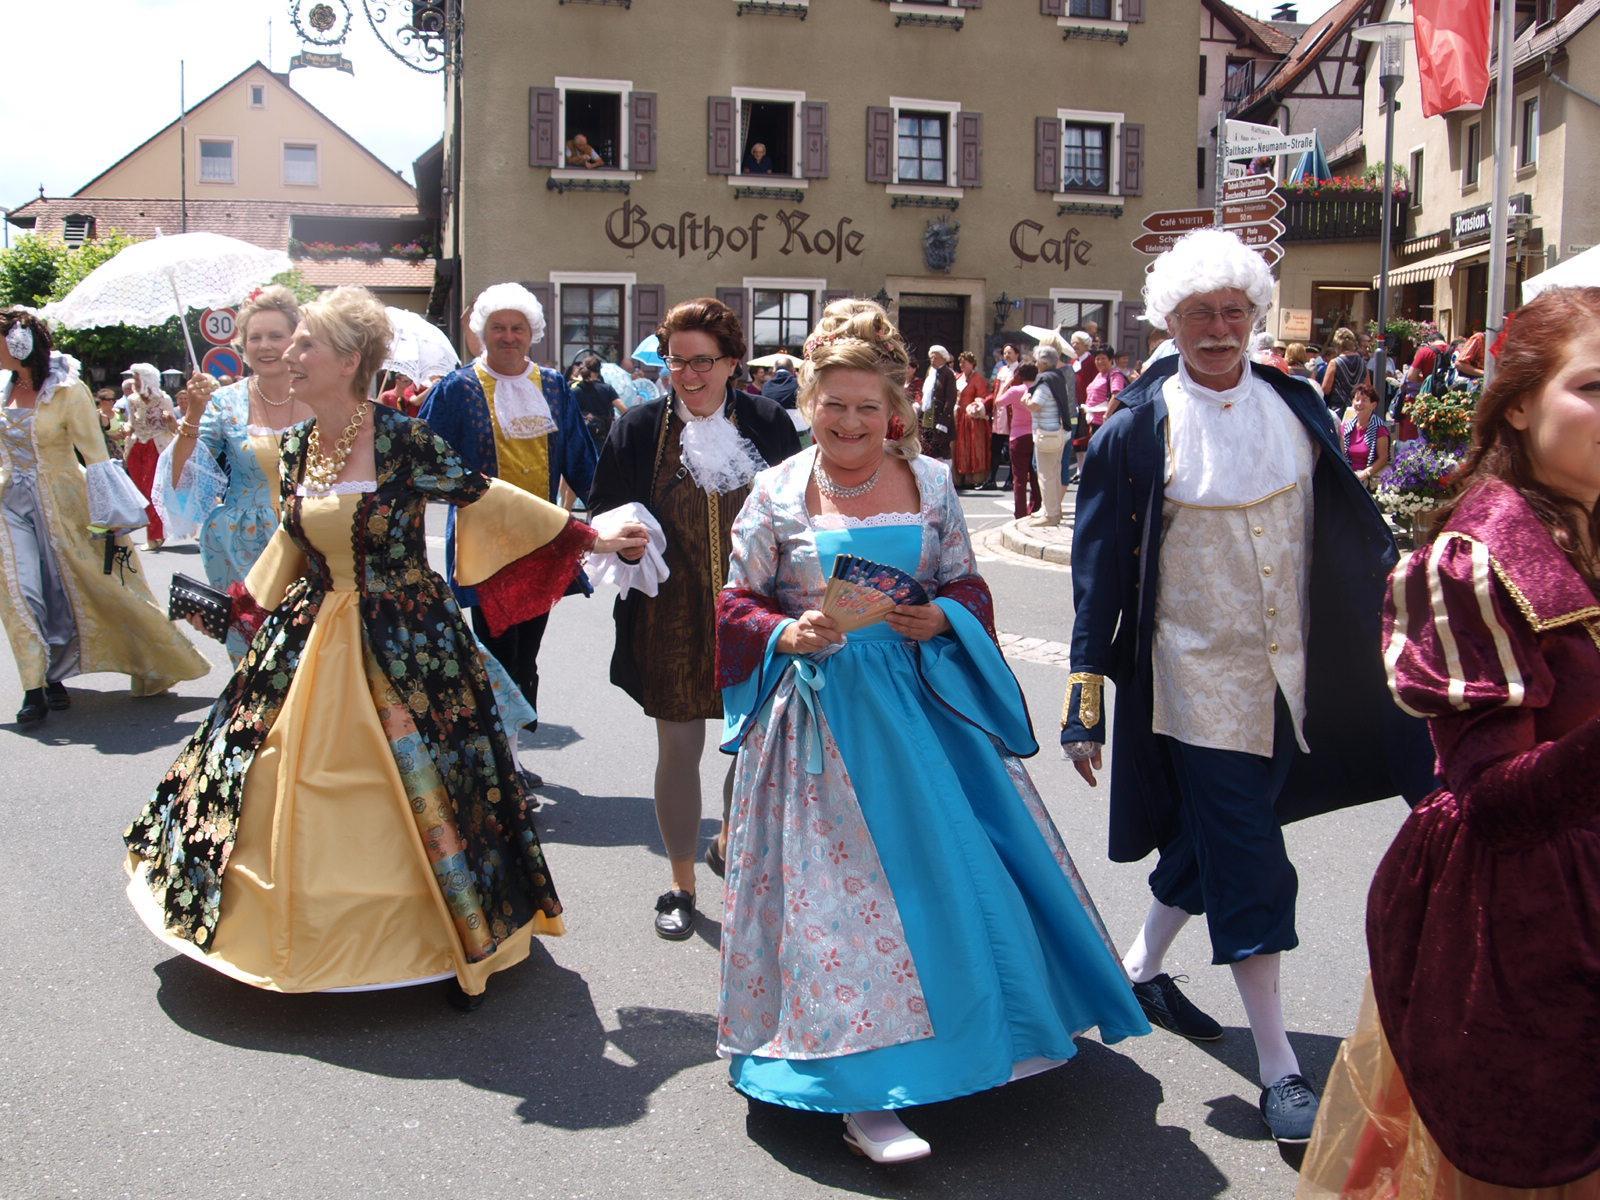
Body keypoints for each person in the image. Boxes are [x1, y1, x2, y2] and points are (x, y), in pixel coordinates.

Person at [124, 286, 647, 1006]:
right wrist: (241, 604)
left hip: (405, 637)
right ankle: (275, 930)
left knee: (425, 780)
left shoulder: (402, 439)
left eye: (306, 344)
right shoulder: (298, 446)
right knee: (267, 763)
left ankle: (433, 938)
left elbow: (484, 494)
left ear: (348, 362)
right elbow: (292, 537)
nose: (289, 355)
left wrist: (589, 535)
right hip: (309, 632)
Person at [715, 298, 1149, 1163]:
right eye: (832, 404)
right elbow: (734, 603)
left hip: (921, 714)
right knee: (841, 901)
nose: (847, 422)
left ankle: (995, 1031)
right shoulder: (773, 493)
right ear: (809, 401)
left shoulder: (937, 483)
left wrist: (944, 617)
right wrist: (782, 631)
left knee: (948, 878)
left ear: (895, 410)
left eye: (865, 407)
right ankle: (863, 1090)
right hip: (819, 724)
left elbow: (969, 584)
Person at [1062, 230, 1435, 1147]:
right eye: (1200, 313)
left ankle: (1138, 965)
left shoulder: (1300, 404)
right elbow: (1099, 570)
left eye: (1234, 311)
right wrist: (1085, 698)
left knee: (1222, 831)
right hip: (1195, 680)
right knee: (1250, 854)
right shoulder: (1131, 434)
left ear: (1255, 317)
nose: (1220, 328)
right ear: (1171, 322)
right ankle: (1279, 1069)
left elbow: (1349, 528)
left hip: (1298, 672)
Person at [1298, 286, 1600, 1198]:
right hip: (1525, 919)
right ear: (1518, 400)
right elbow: (1494, 794)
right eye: (1596, 387)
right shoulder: (1477, 557)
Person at [587, 297, 800, 941]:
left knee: (758, 748)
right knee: (678, 750)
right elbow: (601, 510)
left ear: (733, 362)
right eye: (676, 361)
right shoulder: (639, 429)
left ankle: (731, 839)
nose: (688, 375)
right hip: (668, 618)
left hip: (758, 615)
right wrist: (618, 534)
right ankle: (680, 883)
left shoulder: (767, 421)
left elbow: (800, 511)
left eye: (702, 361)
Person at [0, 309, 207, 725]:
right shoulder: (1, 390)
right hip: (11, 505)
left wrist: (111, 517)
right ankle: (35, 685)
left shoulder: (66, 389)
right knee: (21, 590)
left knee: (87, 585)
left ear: (19, 343)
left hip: (65, 502)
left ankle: (142, 658)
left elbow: (95, 456)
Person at [419, 283, 599, 754]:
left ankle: (512, 745)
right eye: (498, 327)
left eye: (517, 327)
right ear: (481, 332)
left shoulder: (556, 386)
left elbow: (581, 459)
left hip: (542, 541)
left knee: (527, 651)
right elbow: (421, 457)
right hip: (485, 544)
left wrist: (612, 511)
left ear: (531, 333)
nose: (508, 335)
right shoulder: (456, 389)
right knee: (495, 650)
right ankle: (505, 758)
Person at [154, 286, 314, 662]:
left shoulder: (321, 394)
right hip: (243, 544)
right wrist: (193, 413)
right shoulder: (224, 403)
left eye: (276, 335)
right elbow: (182, 481)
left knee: (312, 655)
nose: (265, 345)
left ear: (297, 338)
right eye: (254, 337)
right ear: (242, 346)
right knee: (257, 659)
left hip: (314, 538)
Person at [120, 363, 178, 550]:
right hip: (137, 447)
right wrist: (126, 428)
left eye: (137, 378)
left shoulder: (164, 399)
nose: (134, 382)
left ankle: (154, 536)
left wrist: (170, 420)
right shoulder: (132, 400)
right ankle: (155, 533)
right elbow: (131, 422)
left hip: (156, 446)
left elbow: (173, 428)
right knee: (141, 492)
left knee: (152, 491)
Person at [1025, 345, 1073, 526]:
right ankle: (1052, 510)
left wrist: (1026, 401)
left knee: (1045, 475)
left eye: (1037, 360)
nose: (1036, 363)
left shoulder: (1045, 381)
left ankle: (1050, 515)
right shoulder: (1058, 377)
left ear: (1043, 362)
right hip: (1058, 432)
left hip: (1046, 433)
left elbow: (1035, 405)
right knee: (1054, 473)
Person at [994, 363, 1040, 519]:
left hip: (1018, 437)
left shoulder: (1015, 391)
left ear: (1019, 375)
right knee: (1035, 476)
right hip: (1035, 434)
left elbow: (998, 402)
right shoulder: (1039, 390)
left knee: (1019, 477)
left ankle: (1020, 513)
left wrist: (1006, 384)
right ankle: (1035, 507)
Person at [951, 350, 991, 489]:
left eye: (965, 362)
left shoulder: (977, 378)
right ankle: (959, 478)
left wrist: (976, 404)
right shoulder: (958, 377)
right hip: (958, 416)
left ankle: (974, 478)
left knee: (972, 447)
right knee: (958, 447)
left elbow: (982, 396)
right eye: (960, 362)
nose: (962, 364)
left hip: (971, 418)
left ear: (972, 364)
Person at [981, 344, 1019, 490]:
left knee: (1011, 450)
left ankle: (1010, 479)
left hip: (1012, 414)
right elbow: (995, 391)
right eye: (1004, 353)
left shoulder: (1019, 371)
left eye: (1009, 352)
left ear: (1017, 354)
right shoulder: (1002, 370)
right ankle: (992, 479)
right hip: (999, 414)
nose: (1006, 355)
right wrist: (985, 405)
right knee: (995, 448)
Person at [1339, 382, 1391, 488]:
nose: (1359, 403)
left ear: (1373, 405)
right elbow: (1342, 455)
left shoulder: (1379, 429)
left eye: (1364, 400)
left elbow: (1383, 458)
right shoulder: (1346, 427)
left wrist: (1364, 473)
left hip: (1369, 480)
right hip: (1348, 477)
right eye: (1356, 399)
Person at [572, 354, 626, 450]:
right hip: (603, 438)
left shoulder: (576, 390)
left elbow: (569, 414)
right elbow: (624, 410)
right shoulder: (607, 389)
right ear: (598, 371)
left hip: (582, 440)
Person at [914, 345, 958, 460]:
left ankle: (944, 475)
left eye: (936, 358)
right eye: (931, 357)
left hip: (940, 416)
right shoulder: (930, 372)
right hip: (928, 413)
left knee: (942, 449)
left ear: (943, 359)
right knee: (927, 445)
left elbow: (951, 399)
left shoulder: (948, 374)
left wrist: (943, 421)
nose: (932, 360)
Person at [1320, 326, 1366, 416]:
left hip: (1339, 410)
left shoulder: (1334, 363)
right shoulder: (1362, 362)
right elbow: (1367, 386)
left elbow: (1325, 389)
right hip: (1358, 409)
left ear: (1337, 345)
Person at [1084, 346, 1128, 434]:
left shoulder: (1115, 375)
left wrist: (1106, 416)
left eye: (1103, 358)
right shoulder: (1099, 375)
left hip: (1106, 423)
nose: (1100, 361)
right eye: (1097, 359)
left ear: (1111, 360)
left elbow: (1117, 395)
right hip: (1094, 422)